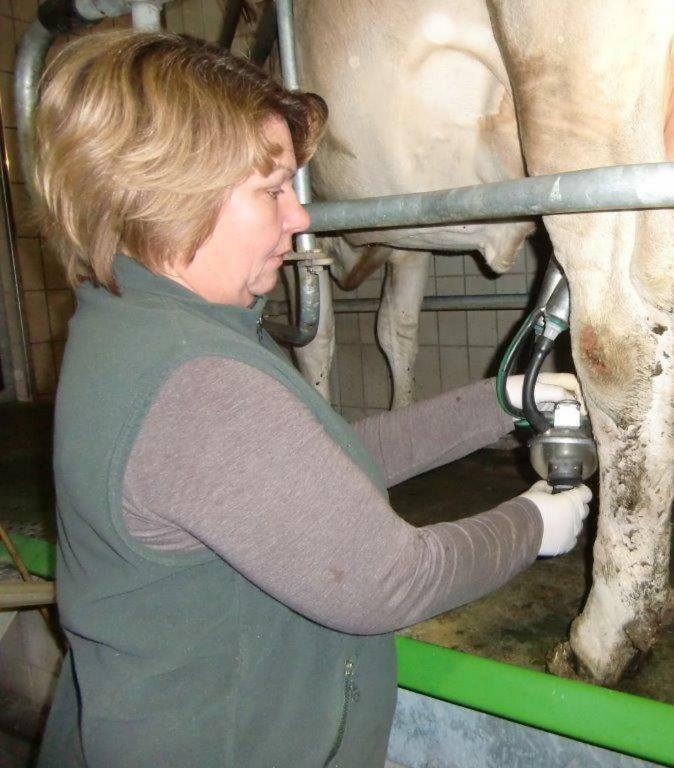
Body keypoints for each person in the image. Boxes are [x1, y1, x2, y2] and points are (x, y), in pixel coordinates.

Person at [33, 30, 592, 767]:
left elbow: (321, 465)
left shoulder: (148, 329)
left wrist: (501, 399)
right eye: (270, 193)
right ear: (169, 196)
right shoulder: (197, 382)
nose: (299, 219)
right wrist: (532, 525)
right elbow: (387, 580)